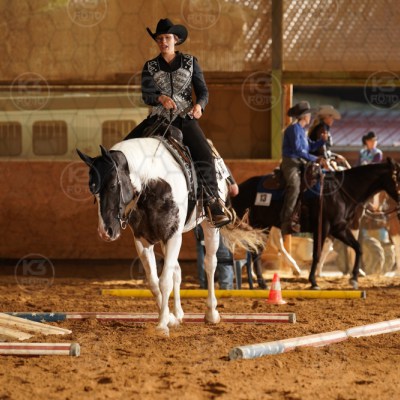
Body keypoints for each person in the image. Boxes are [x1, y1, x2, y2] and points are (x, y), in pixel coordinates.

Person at [124, 18, 230, 228]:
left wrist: (199, 106)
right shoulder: (150, 66)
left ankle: (212, 201)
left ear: (176, 40)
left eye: (167, 38)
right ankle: (122, 202)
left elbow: (203, 92)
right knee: (123, 148)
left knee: (204, 153)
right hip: (158, 118)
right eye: (159, 39)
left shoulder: (191, 62)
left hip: (184, 118)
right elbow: (146, 95)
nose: (163, 42)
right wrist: (160, 98)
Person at [280, 101, 328, 235]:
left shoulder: (302, 130)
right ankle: (287, 220)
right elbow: (298, 150)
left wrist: (322, 141)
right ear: (304, 116)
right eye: (309, 114)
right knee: (294, 186)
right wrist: (315, 159)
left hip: (300, 162)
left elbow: (310, 146)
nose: (310, 117)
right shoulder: (293, 129)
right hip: (291, 163)